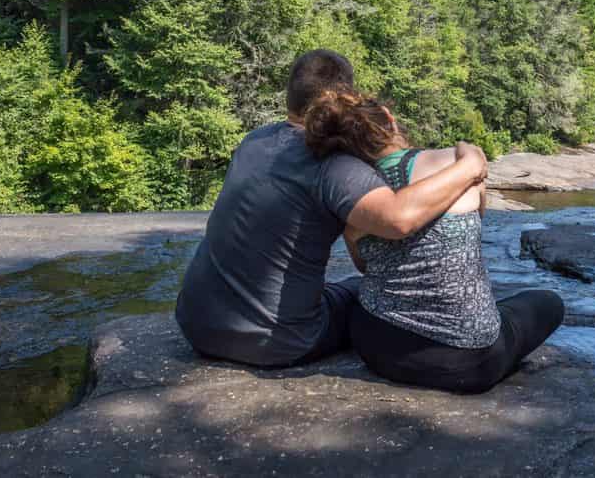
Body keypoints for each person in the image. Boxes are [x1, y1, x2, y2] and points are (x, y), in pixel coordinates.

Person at [175, 49, 489, 368]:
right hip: (278, 341)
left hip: (196, 325)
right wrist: (471, 165)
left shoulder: (254, 141)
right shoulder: (332, 164)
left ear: (291, 96)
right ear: (341, 98)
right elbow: (398, 218)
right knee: (364, 294)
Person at [302, 87, 566, 394]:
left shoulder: (353, 196)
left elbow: (363, 265)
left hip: (377, 348)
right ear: (389, 119)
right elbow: (475, 224)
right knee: (548, 302)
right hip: (467, 362)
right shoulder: (456, 162)